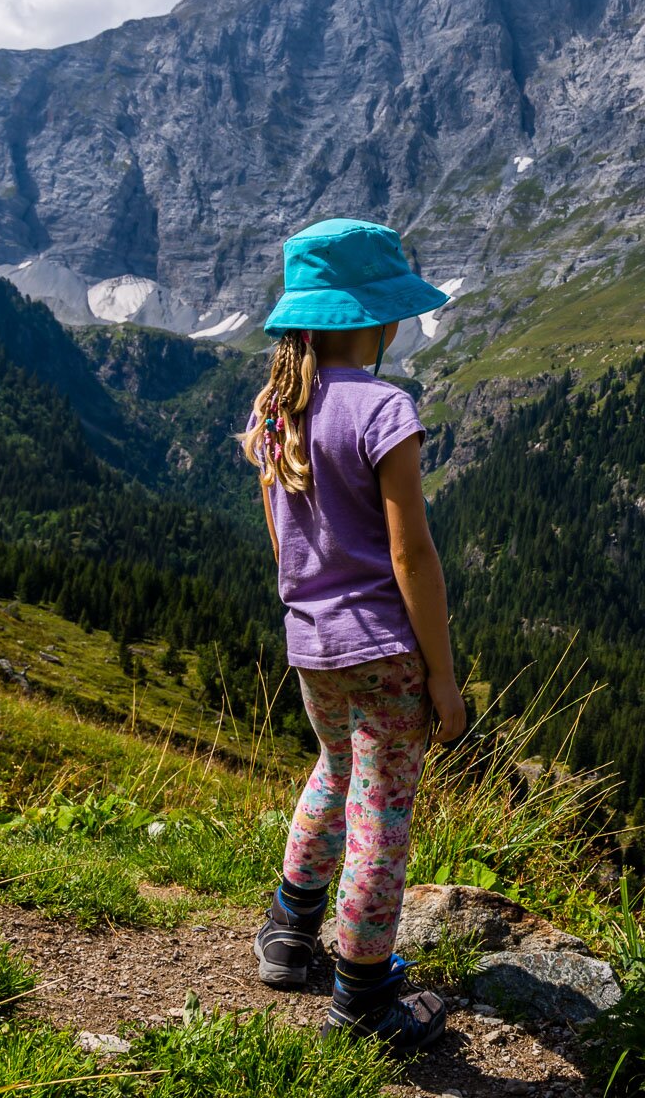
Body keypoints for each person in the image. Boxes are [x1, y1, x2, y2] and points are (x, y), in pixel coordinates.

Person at [239, 218, 469, 1050]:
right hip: (383, 649)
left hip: (312, 645)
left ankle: (288, 933)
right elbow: (412, 553)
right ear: (371, 319)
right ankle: (362, 996)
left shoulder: (275, 409)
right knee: (382, 812)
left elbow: (280, 541)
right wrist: (442, 678)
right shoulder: (384, 408)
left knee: (334, 775)